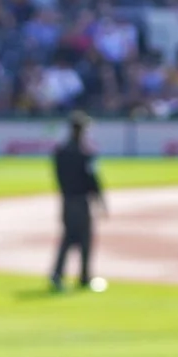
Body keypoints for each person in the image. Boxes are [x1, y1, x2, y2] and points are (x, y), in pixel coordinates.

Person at [51, 111, 106, 292]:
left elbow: (58, 176)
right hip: (81, 201)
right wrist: (100, 200)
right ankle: (83, 277)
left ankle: (57, 275)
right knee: (85, 239)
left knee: (68, 237)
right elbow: (92, 179)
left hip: (67, 200)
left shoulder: (60, 151)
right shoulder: (85, 152)